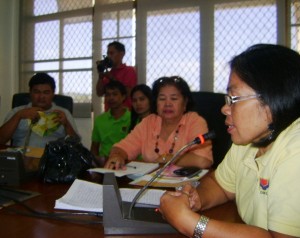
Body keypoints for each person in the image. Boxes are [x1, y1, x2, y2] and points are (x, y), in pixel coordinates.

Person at [159, 44, 300, 237]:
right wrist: (196, 197)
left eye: (233, 98)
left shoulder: (296, 149)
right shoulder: (248, 141)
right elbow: (220, 185)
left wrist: (191, 223)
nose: (224, 109)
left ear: (272, 98)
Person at [104, 76, 213, 170]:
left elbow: (203, 160)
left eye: (174, 99)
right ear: (156, 103)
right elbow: (123, 147)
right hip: (151, 183)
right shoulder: (149, 122)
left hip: (186, 187)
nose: (167, 104)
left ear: (185, 103)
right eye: (162, 99)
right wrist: (117, 156)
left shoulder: (194, 121)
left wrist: (167, 158)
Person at [0, 73, 78, 148]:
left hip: (52, 158)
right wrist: (18, 116)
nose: (41, 96)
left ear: (53, 94)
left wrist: (67, 125)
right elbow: (1, 140)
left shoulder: (63, 113)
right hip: (22, 157)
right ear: (30, 93)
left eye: (46, 92)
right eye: (37, 92)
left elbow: (76, 144)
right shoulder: (17, 111)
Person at [91, 80, 131, 164]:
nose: (111, 98)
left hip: (128, 163)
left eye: (115, 94)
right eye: (108, 95)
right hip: (105, 163)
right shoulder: (99, 120)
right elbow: (94, 147)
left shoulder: (132, 118)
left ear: (123, 97)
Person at [96, 41, 137, 111]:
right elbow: (99, 93)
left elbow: (128, 92)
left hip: (125, 114)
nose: (109, 56)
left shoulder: (129, 71)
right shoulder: (108, 74)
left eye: (112, 53)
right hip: (109, 115)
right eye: (108, 53)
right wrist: (100, 77)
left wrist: (111, 78)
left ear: (121, 54)